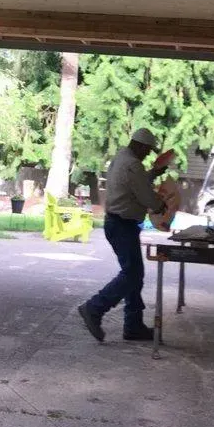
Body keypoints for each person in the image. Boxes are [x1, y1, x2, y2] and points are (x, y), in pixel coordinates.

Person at [78, 127, 168, 342]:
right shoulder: (132, 164)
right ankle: (94, 308)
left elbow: (134, 184)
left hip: (119, 223)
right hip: (122, 225)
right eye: (147, 150)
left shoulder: (122, 157)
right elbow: (146, 196)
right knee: (132, 274)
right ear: (139, 145)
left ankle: (133, 326)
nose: (148, 154)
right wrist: (160, 205)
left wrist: (152, 174)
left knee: (133, 275)